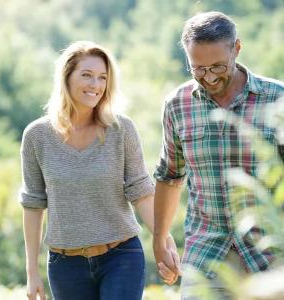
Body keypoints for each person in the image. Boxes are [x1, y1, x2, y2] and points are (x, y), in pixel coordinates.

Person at [20, 41, 180, 300]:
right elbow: (33, 204)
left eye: (102, 78)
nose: (95, 85)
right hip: (65, 265)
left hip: (121, 258)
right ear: (66, 77)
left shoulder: (121, 130)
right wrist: (31, 272)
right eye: (86, 75)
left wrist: (164, 240)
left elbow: (141, 191)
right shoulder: (37, 136)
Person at [152, 11, 284, 299]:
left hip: (270, 253)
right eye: (198, 69)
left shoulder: (277, 98)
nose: (209, 77)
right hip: (207, 250)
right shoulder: (177, 105)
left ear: (236, 48)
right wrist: (160, 238)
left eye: (217, 66)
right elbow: (169, 175)